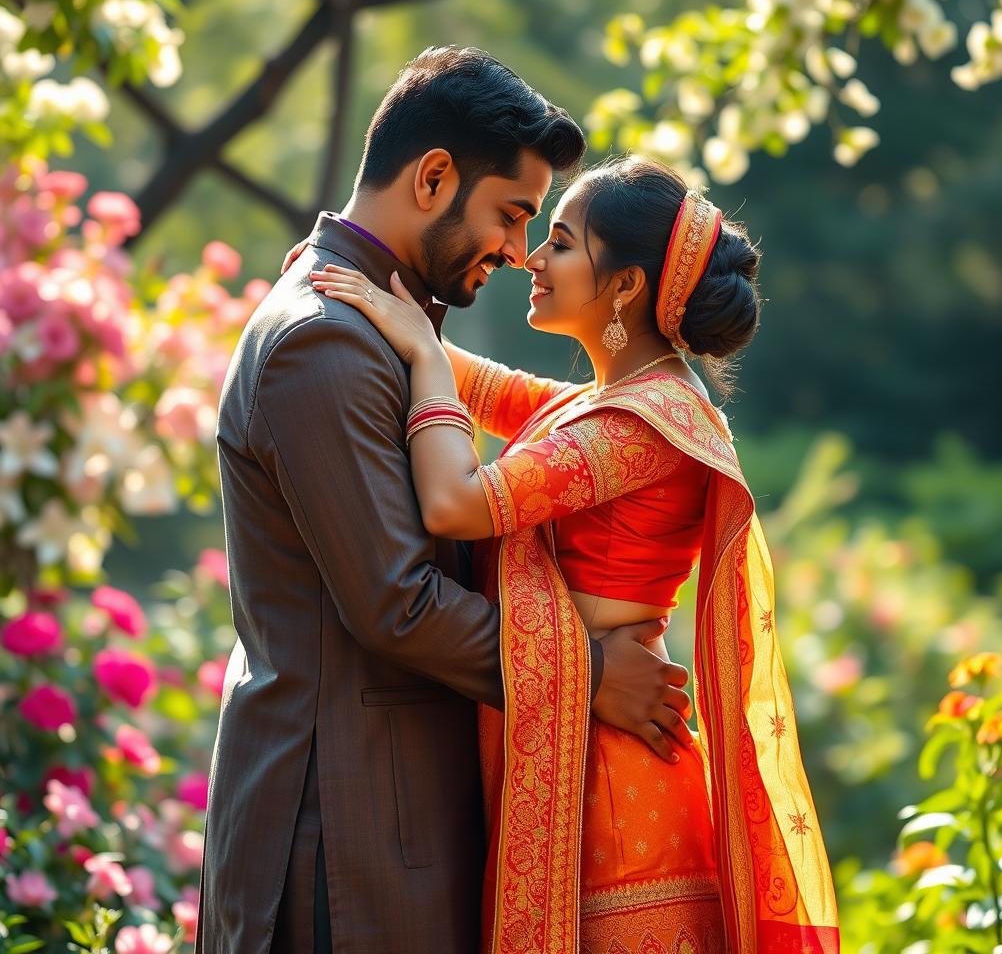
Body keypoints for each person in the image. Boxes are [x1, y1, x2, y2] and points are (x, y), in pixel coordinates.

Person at [199, 49, 695, 954]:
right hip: (343, 841)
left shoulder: (380, 322)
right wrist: (589, 674)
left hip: (384, 826)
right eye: (512, 216)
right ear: (433, 178)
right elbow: (397, 605)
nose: (518, 253)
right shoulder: (326, 343)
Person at [309, 155, 840, 953]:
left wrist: (420, 354)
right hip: (597, 749)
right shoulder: (616, 404)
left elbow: (456, 504)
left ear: (623, 285)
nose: (530, 258)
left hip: (619, 798)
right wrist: (353, 275)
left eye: (558, 242)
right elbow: (486, 390)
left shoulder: (638, 429)